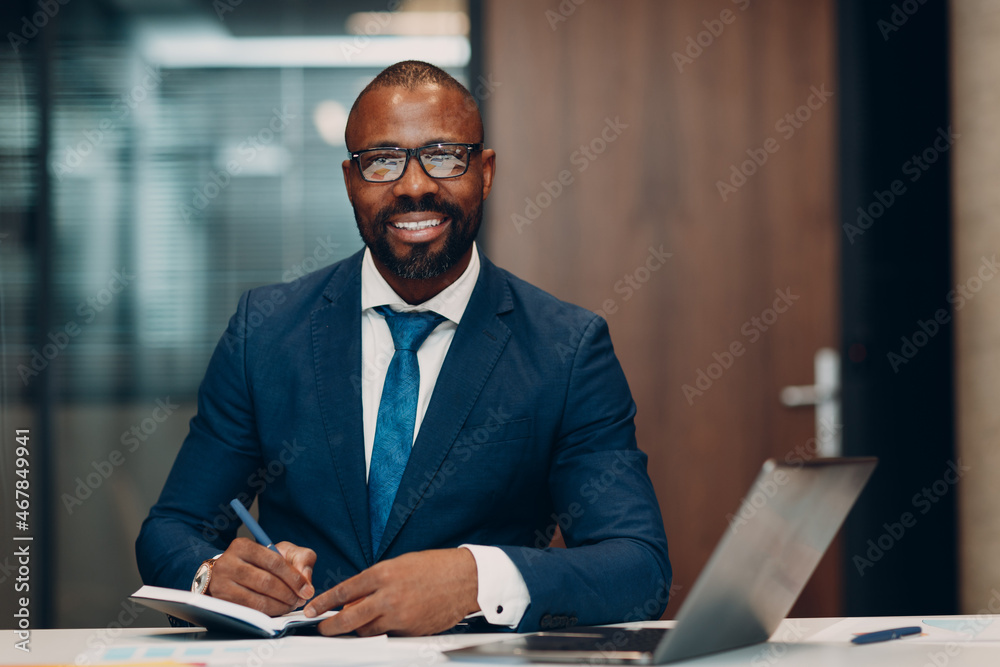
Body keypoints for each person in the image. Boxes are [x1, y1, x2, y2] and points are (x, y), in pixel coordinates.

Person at [136, 60, 670, 637]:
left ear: (485, 172)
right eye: (383, 161)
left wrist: (475, 578)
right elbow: (173, 528)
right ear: (349, 181)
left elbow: (638, 568)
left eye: (443, 155)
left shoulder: (566, 348)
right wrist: (210, 574)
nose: (414, 185)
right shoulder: (264, 331)